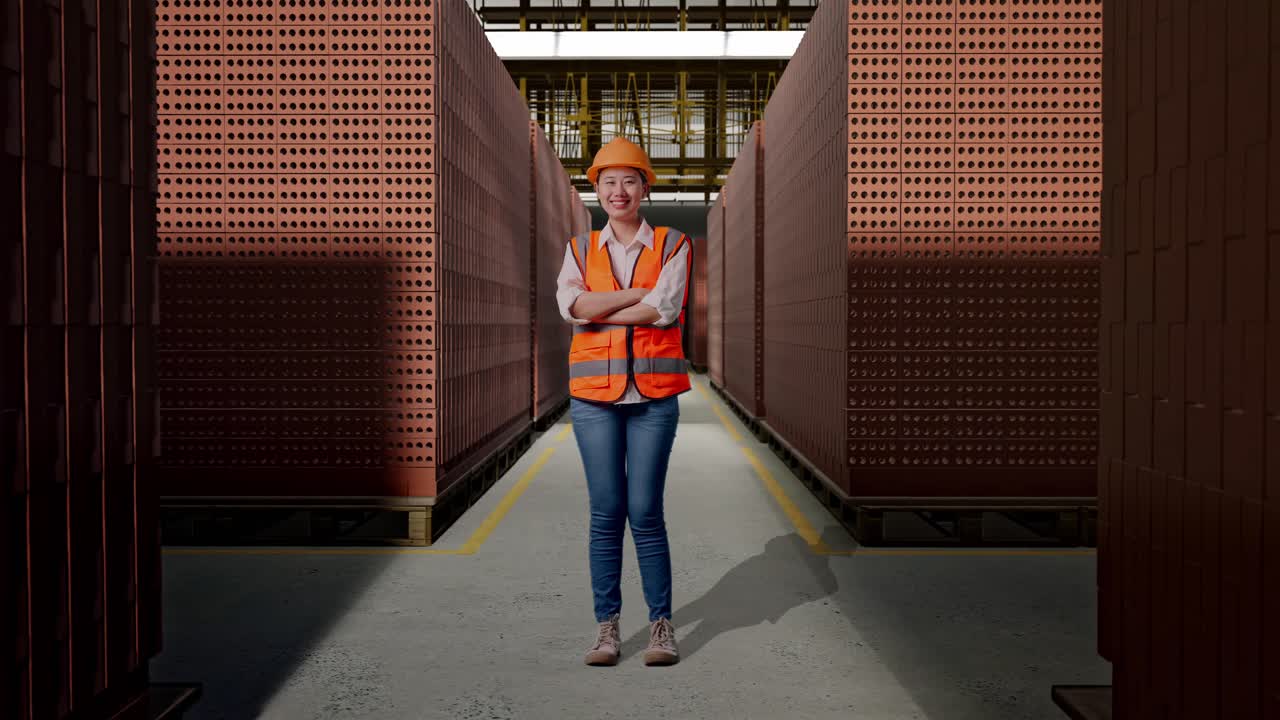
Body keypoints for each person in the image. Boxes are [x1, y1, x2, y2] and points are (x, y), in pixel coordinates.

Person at [555, 136, 693, 667]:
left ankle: (661, 626)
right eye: (608, 181)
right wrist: (637, 295)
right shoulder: (577, 249)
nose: (619, 190)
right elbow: (571, 307)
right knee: (607, 512)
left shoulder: (674, 243)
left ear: (644, 187)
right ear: (597, 189)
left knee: (645, 511)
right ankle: (607, 628)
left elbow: (665, 309)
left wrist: (597, 308)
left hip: (654, 399)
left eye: (629, 180)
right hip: (595, 399)